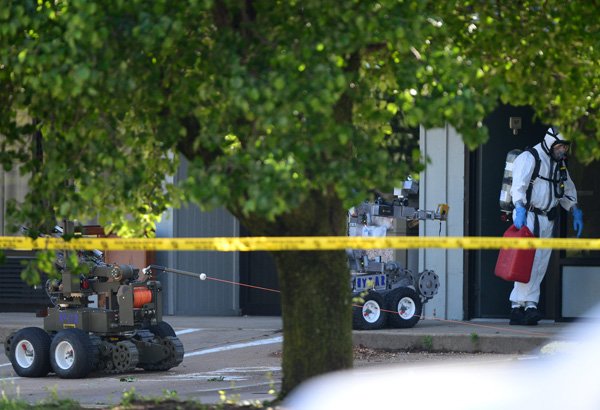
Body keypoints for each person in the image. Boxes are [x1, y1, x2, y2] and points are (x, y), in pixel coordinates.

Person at [509, 126, 583, 326]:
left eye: (565, 148)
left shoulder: (558, 165)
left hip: (547, 219)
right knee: (526, 262)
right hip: (529, 215)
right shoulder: (530, 157)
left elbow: (567, 189)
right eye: (560, 146)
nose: (563, 151)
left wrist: (574, 209)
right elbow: (518, 186)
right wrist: (519, 207)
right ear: (550, 143)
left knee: (540, 263)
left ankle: (525, 306)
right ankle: (522, 306)